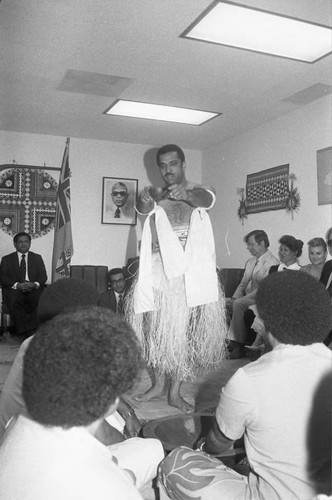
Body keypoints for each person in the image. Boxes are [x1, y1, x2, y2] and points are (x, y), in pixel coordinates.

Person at [159, 271, 332, 500]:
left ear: (265, 319)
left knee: (174, 463)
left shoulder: (249, 378)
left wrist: (203, 448)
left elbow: (218, 444)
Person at [0, 306, 163, 499]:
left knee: (152, 448)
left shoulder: (19, 420)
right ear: (113, 399)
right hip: (89, 482)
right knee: (156, 455)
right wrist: (120, 478)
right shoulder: (114, 490)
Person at [126, 144, 227, 412]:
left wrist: (189, 195)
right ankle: (157, 385)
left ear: (183, 164)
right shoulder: (156, 194)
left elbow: (207, 199)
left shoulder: (200, 190)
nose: (168, 170)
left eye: (173, 164)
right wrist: (146, 201)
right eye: (162, 165)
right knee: (155, 332)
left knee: (184, 335)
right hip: (160, 271)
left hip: (190, 274)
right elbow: (140, 207)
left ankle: (175, 392)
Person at [0, 278, 141, 445]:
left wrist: (128, 413)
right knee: (146, 449)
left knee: (114, 413)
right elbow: (98, 428)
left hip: (29, 429)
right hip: (29, 442)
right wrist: (127, 445)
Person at [246, 234, 303, 355]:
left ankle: (260, 344)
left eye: (285, 250)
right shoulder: (273, 269)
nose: (282, 253)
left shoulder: (301, 271)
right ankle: (263, 345)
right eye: (280, 249)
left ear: (295, 253)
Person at [227, 229, 278, 359]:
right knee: (227, 303)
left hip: (260, 299)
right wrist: (233, 297)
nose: (249, 248)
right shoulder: (250, 261)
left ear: (262, 243)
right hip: (246, 298)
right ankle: (227, 342)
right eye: (248, 245)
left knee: (238, 304)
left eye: (251, 244)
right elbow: (243, 283)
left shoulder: (273, 263)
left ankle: (238, 345)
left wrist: (239, 300)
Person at [0, 232, 47, 338]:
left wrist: (34, 284)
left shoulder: (37, 258)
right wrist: (18, 285)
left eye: (26, 241)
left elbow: (43, 276)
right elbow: (3, 277)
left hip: (33, 289)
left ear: (30, 243)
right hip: (14, 289)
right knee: (14, 299)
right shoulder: (6, 259)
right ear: (15, 244)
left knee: (39, 298)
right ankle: (27, 332)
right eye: (20, 242)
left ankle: (31, 331)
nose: (23, 244)